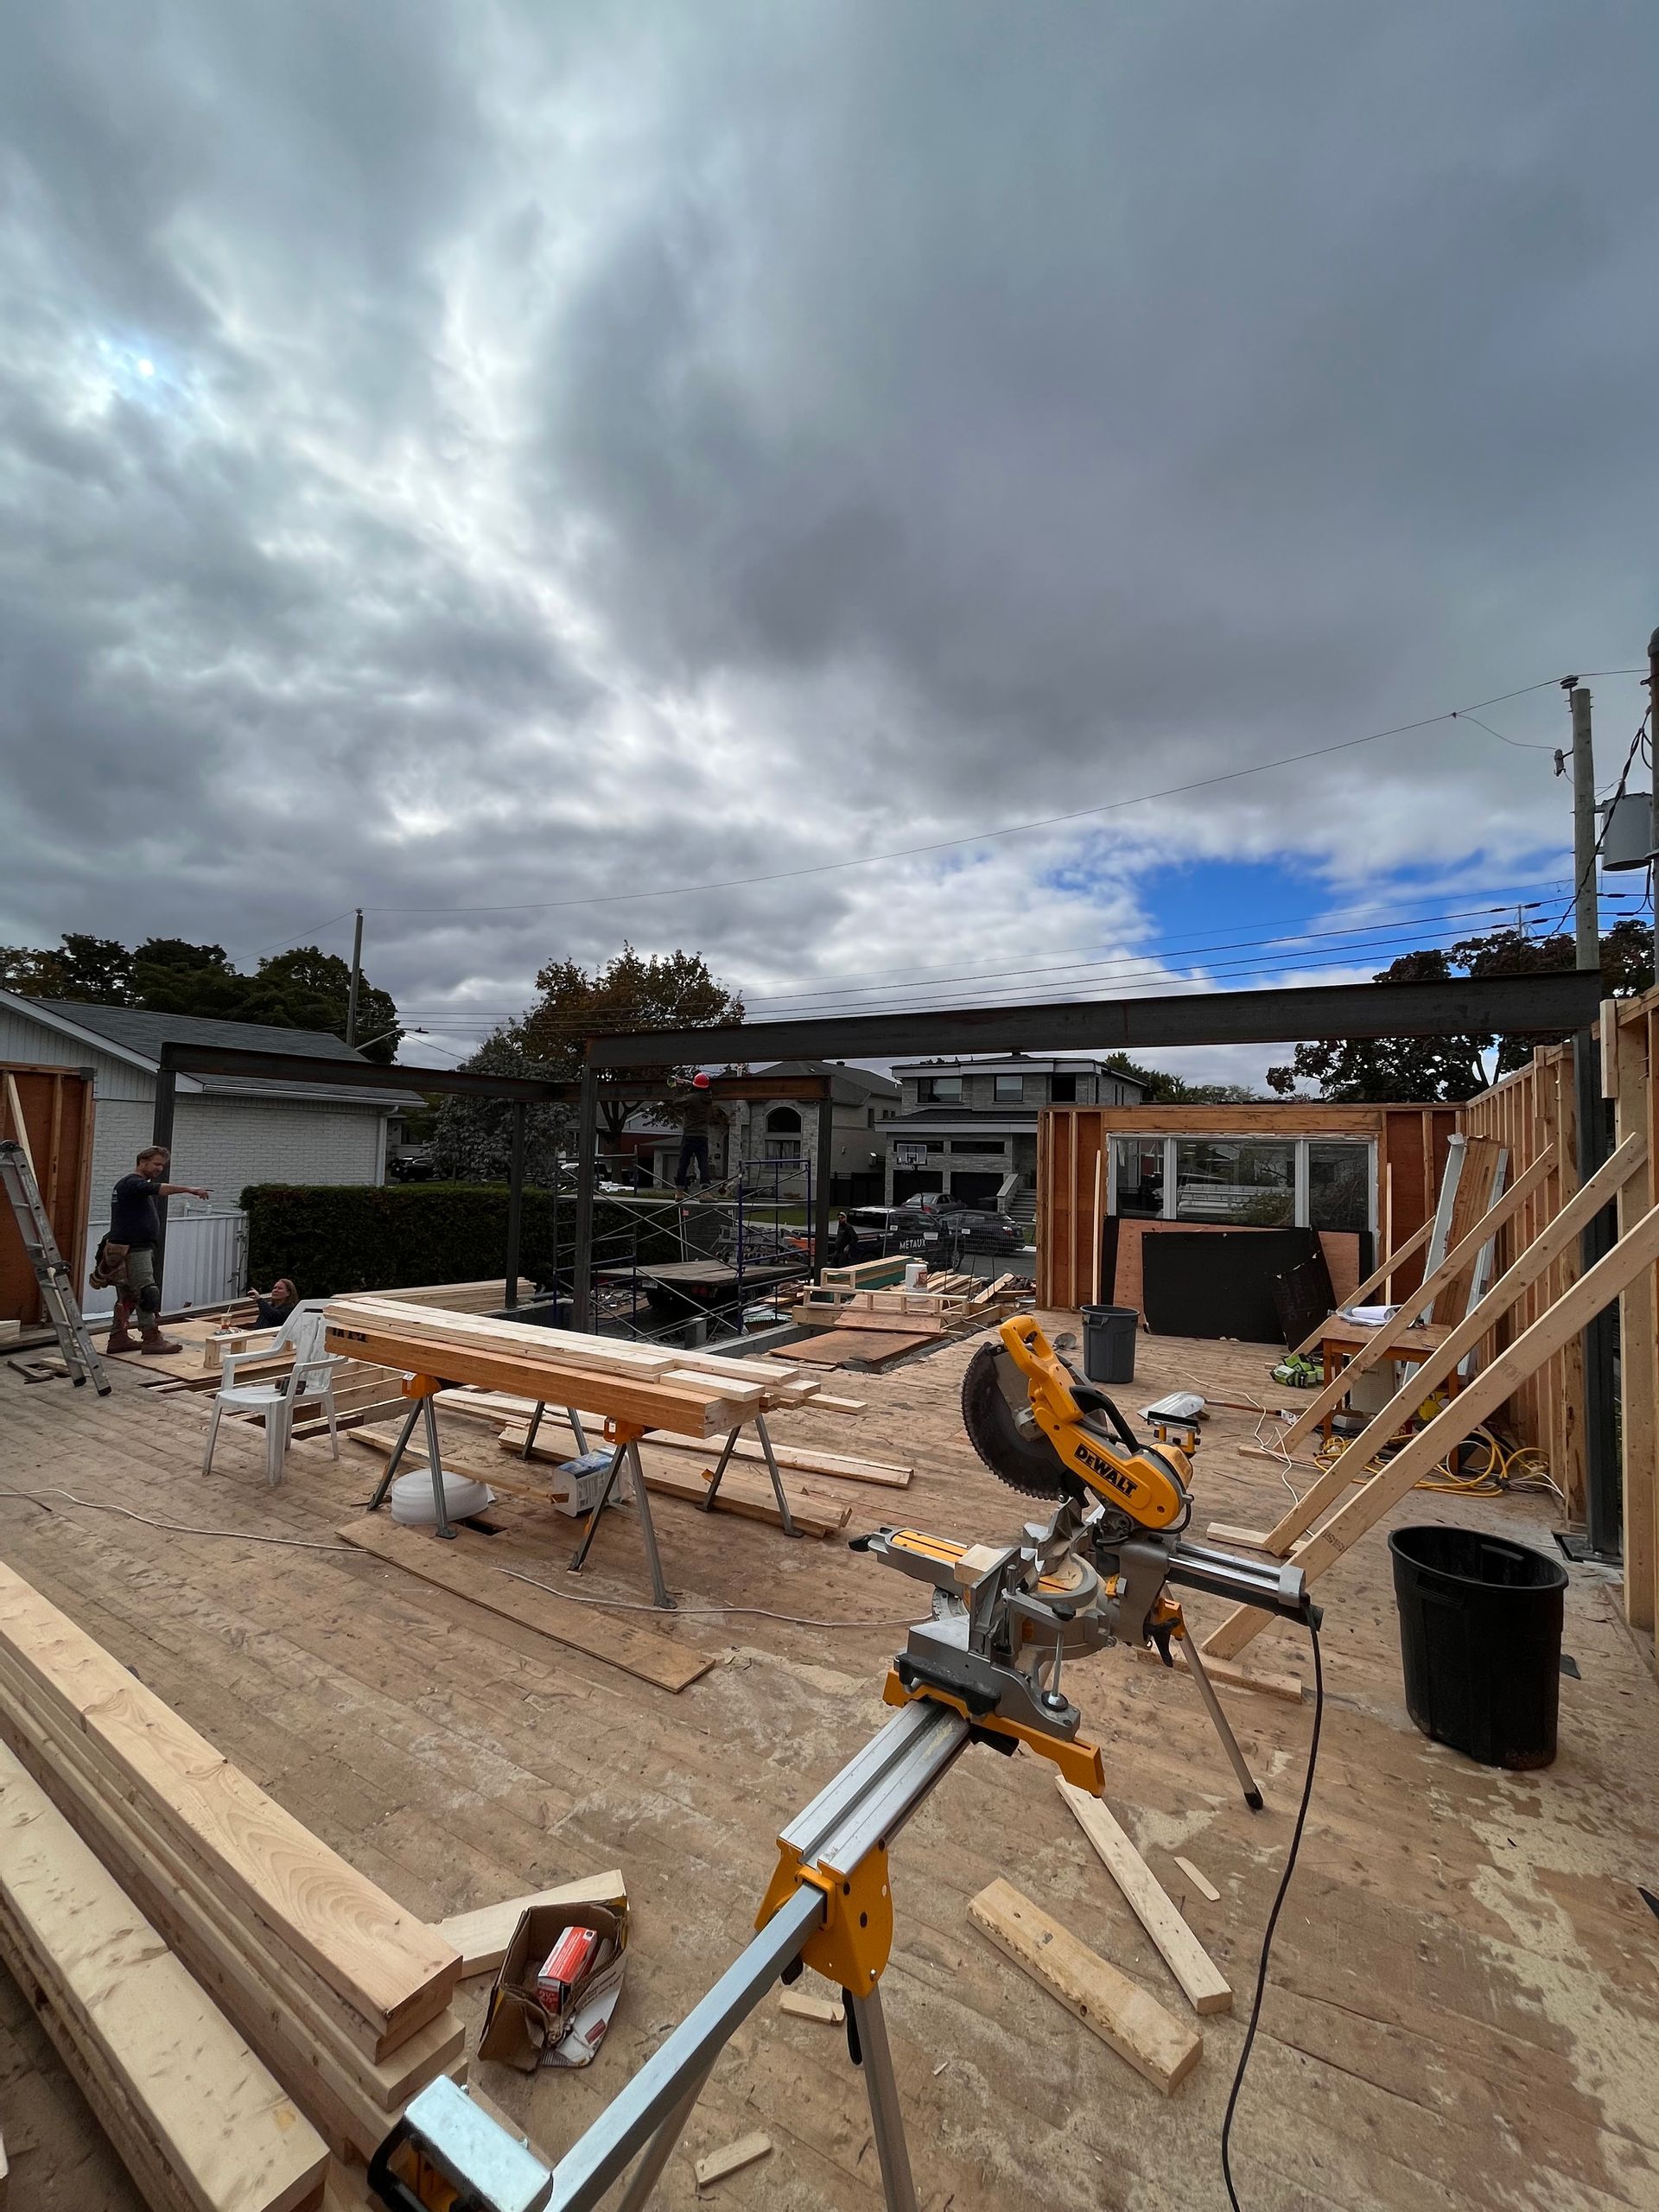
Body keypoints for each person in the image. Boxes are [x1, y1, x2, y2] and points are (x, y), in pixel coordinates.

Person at [93, 1146, 210, 1354]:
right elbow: (159, 1189)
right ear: (142, 1161)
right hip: (133, 1248)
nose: (159, 1169)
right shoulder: (132, 1182)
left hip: (126, 1247)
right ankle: (151, 1338)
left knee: (128, 1295)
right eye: (156, 1164)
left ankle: (118, 1338)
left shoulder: (131, 1185)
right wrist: (189, 1189)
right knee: (147, 1292)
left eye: (162, 1166)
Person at [673, 1071, 714, 1192]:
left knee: (683, 1164)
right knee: (703, 1164)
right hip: (702, 1136)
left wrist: (677, 1088)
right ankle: (705, 1192)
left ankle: (680, 1191)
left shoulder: (691, 1098)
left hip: (690, 1135)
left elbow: (677, 1102)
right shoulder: (709, 1099)